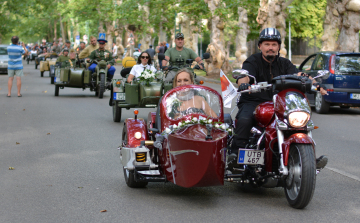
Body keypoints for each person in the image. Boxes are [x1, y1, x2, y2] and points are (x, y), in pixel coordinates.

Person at [229, 28, 327, 166]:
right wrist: (244, 84)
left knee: (298, 122)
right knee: (244, 120)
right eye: (267, 44)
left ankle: (308, 159)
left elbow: (300, 75)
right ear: (260, 46)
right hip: (254, 101)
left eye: (274, 44)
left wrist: (317, 85)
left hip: (279, 103)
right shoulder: (252, 61)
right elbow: (244, 75)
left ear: (279, 47)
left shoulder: (284, 63)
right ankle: (236, 155)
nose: (271, 48)